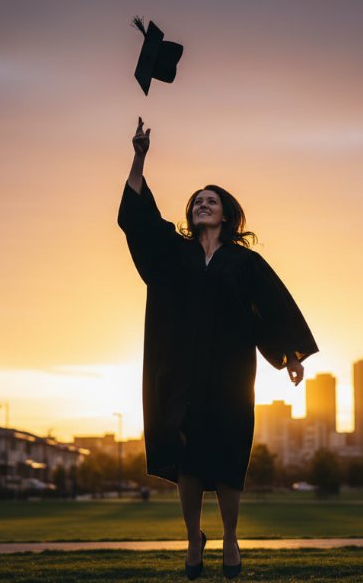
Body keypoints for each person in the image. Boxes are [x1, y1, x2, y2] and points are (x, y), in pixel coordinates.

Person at [118, 117, 318, 579]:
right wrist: (140, 157)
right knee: (186, 459)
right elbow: (138, 221)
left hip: (230, 374)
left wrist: (290, 353)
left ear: (226, 214)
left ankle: (229, 536)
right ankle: (193, 537)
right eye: (196, 202)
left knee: (228, 456)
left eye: (211, 201)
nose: (202, 205)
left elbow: (273, 306)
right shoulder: (174, 253)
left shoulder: (245, 263)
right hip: (180, 371)